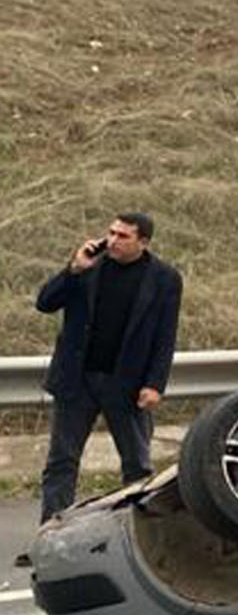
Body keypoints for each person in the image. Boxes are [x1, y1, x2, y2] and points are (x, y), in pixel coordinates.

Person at [34, 212, 183, 523]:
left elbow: (164, 336)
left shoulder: (164, 279)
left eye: (123, 236)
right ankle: (50, 533)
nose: (113, 241)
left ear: (143, 242)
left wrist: (155, 383)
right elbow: (45, 303)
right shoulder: (88, 266)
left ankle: (137, 536)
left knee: (137, 468)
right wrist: (73, 270)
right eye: (111, 233)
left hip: (126, 385)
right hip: (77, 380)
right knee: (62, 462)